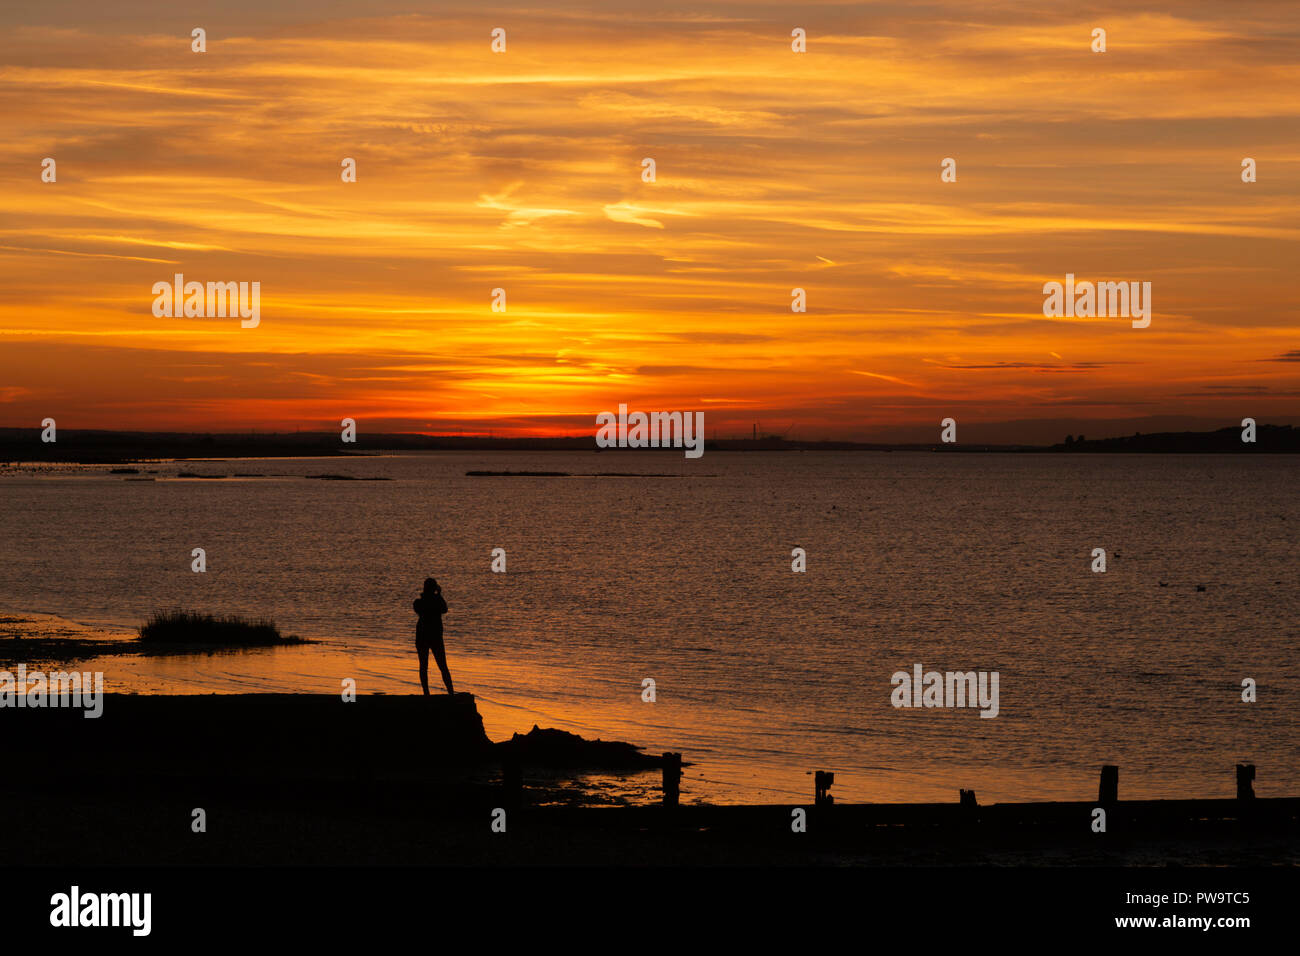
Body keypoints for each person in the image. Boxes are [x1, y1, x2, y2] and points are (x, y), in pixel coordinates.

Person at [413, 577, 454, 695]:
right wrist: (438, 595)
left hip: (426, 637)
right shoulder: (422, 602)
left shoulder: (421, 602)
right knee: (440, 666)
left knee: (427, 666)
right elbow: (443, 609)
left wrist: (438, 595)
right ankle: (449, 693)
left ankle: (428, 693)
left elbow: (444, 609)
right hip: (432, 637)